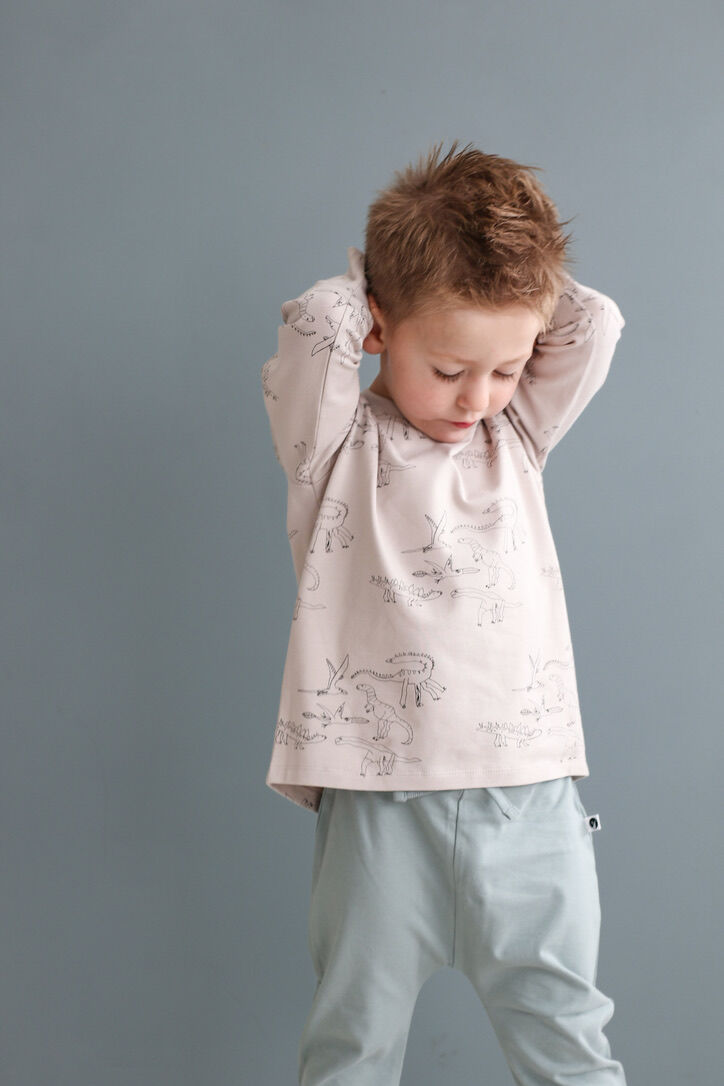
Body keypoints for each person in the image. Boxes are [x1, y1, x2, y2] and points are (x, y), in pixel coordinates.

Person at [260, 140, 628, 1085]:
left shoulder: (517, 435)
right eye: (452, 368)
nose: (478, 397)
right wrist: (375, 284)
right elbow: (314, 327)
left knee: (570, 1045)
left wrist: (514, 286)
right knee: (351, 1048)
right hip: (380, 811)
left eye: (505, 369)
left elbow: (595, 321)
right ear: (382, 329)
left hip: (530, 797)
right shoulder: (333, 447)